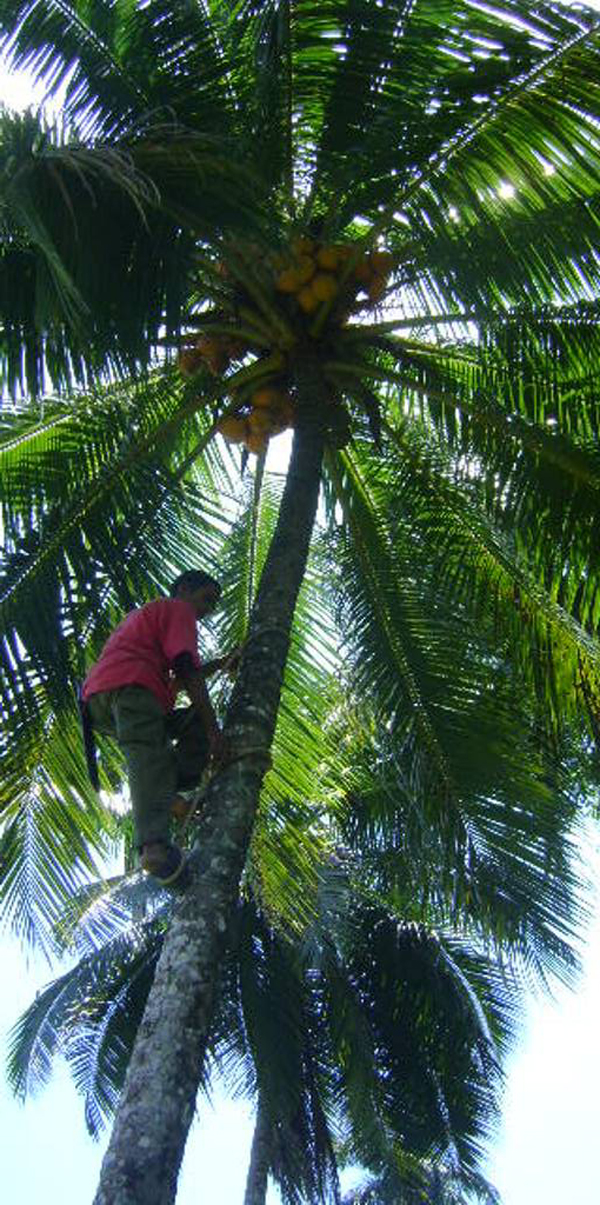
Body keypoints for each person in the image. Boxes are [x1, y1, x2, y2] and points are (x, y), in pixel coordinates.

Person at [80, 569, 237, 886]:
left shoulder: (150, 616)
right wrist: (215, 733)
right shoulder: (178, 609)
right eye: (207, 599)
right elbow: (185, 667)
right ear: (184, 589)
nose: (208, 610)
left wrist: (221, 664)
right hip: (131, 689)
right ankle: (153, 846)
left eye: (213, 605)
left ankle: (169, 795)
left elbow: (177, 679)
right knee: (149, 754)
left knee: (188, 725)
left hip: (108, 699)